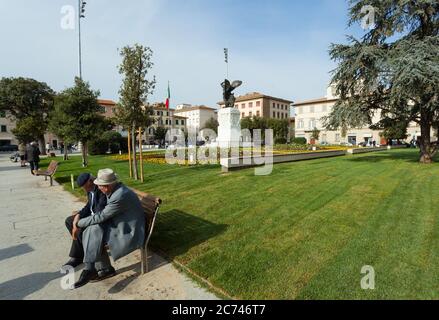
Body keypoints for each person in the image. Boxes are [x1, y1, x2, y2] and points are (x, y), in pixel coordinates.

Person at [72, 169, 146, 289]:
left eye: (102, 186)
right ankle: (95, 269)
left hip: (130, 231)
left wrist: (78, 223)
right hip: (121, 223)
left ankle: (95, 269)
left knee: (94, 230)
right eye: (99, 185)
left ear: (110, 184)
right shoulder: (114, 190)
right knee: (94, 229)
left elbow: (101, 216)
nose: (100, 188)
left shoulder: (119, 195)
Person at [63, 173, 107, 270]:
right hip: (92, 216)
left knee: (79, 228)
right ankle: (81, 252)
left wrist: (78, 223)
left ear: (90, 182)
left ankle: (77, 257)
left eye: (84, 186)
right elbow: (88, 206)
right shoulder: (90, 190)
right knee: (69, 221)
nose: (84, 189)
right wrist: (78, 215)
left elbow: (99, 212)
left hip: (100, 220)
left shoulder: (101, 190)